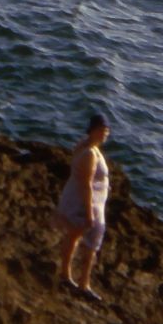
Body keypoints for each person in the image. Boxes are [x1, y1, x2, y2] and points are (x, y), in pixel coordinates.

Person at [54, 113, 111, 296]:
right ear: (93, 131)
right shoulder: (90, 154)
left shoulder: (83, 146)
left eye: (107, 131)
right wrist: (89, 213)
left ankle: (65, 274)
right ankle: (83, 284)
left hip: (75, 199)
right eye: (102, 130)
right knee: (91, 246)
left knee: (73, 237)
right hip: (86, 204)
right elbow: (86, 184)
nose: (105, 134)